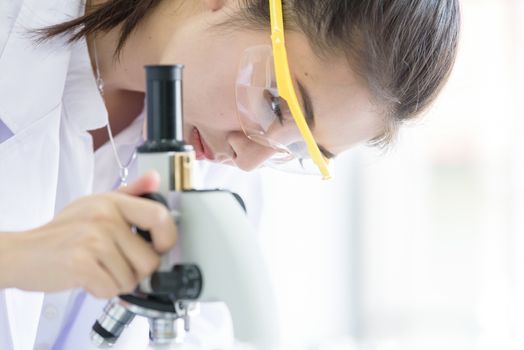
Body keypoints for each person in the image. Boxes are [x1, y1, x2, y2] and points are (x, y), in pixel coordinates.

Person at [0, 0, 460, 349]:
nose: (247, 159)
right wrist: (16, 258)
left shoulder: (220, 182)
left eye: (299, 147)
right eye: (276, 103)